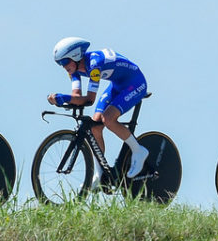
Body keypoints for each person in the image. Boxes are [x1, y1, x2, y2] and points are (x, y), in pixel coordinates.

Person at [47, 37, 150, 179]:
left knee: (108, 118)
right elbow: (76, 96)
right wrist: (60, 99)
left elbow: (89, 99)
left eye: (64, 61)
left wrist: (64, 98)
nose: (63, 66)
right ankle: (100, 172)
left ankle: (138, 151)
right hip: (116, 85)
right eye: (59, 63)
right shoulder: (73, 70)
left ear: (76, 56)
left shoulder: (95, 64)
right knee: (95, 126)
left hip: (135, 83)